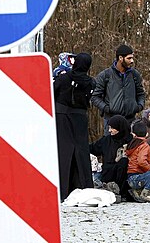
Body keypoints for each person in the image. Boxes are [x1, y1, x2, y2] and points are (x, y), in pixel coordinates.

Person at [54, 52, 96, 201]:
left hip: (62, 117)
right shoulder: (91, 82)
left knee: (63, 152)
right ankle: (82, 186)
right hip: (80, 118)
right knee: (81, 152)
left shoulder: (64, 78)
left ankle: (61, 189)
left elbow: (53, 92)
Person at [91, 44, 146, 135]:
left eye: (132, 58)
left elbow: (141, 93)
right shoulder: (105, 75)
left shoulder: (135, 75)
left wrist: (139, 106)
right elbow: (95, 97)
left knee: (130, 148)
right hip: (111, 121)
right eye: (129, 58)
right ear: (120, 58)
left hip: (130, 120)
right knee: (111, 148)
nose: (132, 61)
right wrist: (107, 108)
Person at [89, 115, 133, 200]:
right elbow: (92, 148)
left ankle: (121, 192)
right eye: (109, 128)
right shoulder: (106, 141)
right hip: (108, 175)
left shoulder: (130, 140)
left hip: (124, 177)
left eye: (113, 128)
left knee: (123, 161)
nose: (110, 131)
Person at [125, 118, 150, 203]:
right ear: (147, 134)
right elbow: (141, 162)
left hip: (131, 178)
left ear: (133, 134)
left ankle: (138, 191)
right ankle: (146, 193)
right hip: (136, 177)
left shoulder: (132, 144)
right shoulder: (144, 145)